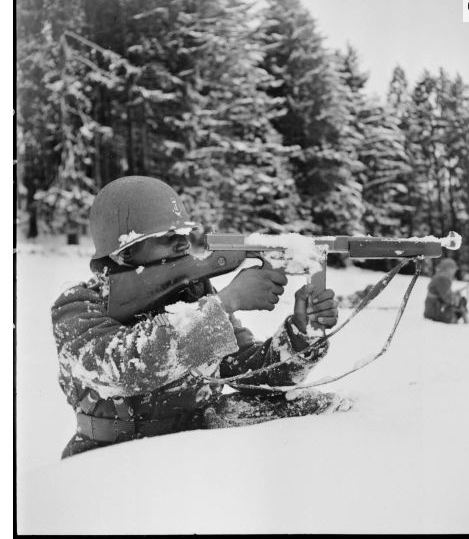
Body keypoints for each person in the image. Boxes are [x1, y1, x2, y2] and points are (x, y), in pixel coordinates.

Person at [52, 176, 345, 459]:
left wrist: (300, 333)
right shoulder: (78, 307)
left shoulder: (192, 293)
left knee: (318, 407)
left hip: (199, 453)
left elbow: (251, 373)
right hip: (112, 462)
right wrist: (227, 301)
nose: (182, 244)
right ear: (123, 252)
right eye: (167, 238)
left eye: (183, 235)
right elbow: (124, 368)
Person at [423, 258, 468, 324]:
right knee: (458, 308)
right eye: (453, 269)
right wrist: (457, 300)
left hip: (433, 308)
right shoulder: (442, 278)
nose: (455, 271)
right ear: (448, 269)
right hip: (434, 310)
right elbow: (447, 299)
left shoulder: (440, 277)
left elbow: (443, 294)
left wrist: (454, 294)